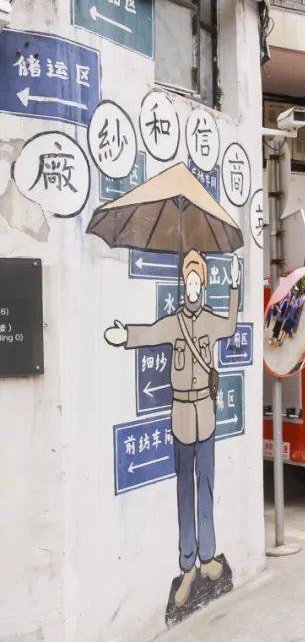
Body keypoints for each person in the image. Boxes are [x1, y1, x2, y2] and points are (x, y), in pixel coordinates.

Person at [104, 251, 240, 609]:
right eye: (189, 281)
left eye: (198, 282)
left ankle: (209, 557)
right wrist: (125, 335)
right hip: (180, 413)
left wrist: (236, 287)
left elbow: (229, 325)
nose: (193, 288)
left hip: (205, 413)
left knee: (206, 486)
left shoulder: (211, 321)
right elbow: (149, 333)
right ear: (184, 285)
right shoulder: (174, 322)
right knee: (184, 490)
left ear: (204, 286)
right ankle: (187, 566)